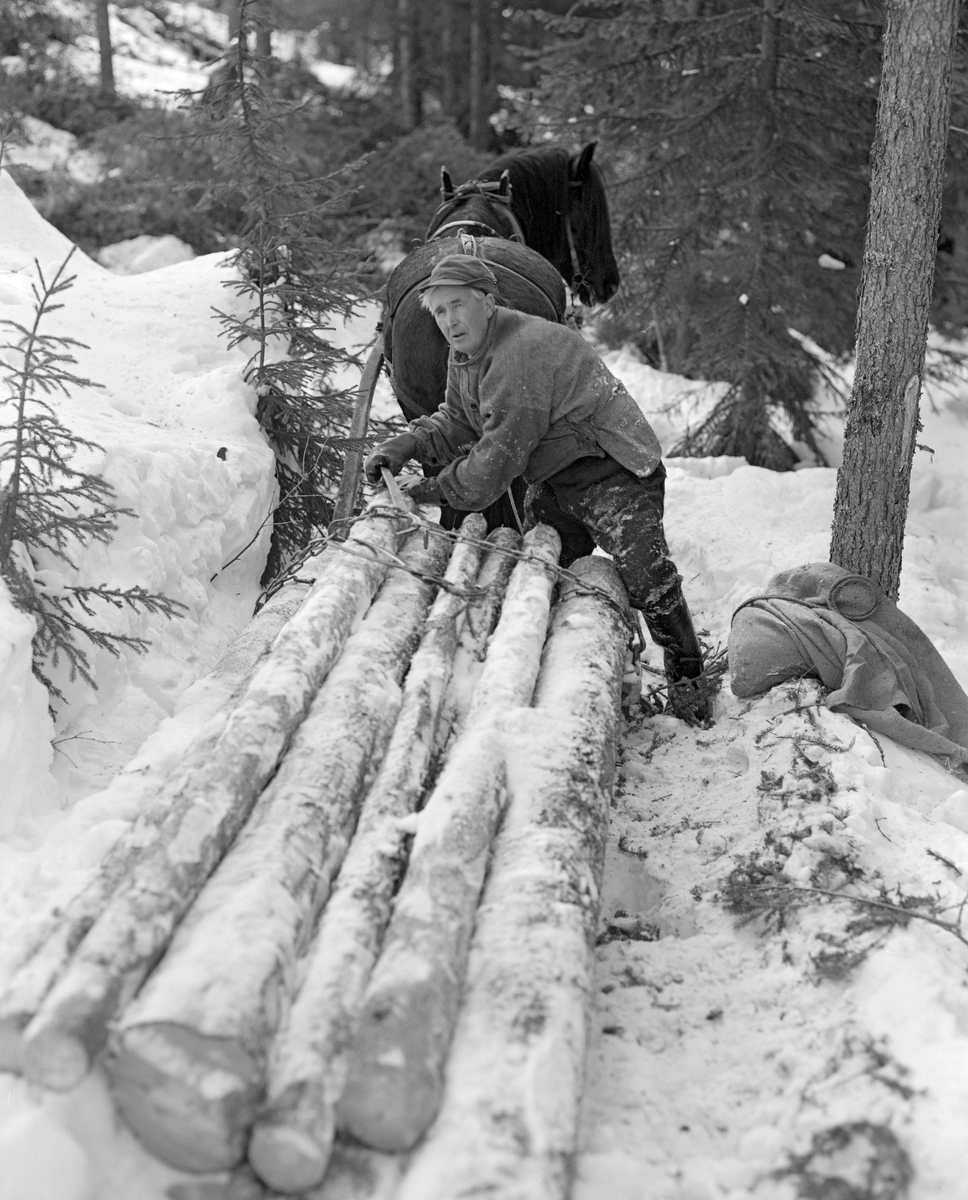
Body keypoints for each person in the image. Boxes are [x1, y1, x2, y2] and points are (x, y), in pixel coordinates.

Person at [364, 254, 709, 721]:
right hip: (555, 475)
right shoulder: (467, 351)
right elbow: (459, 419)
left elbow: (495, 463)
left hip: (614, 469)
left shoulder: (519, 352)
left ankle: (689, 679)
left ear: (487, 302)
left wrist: (428, 490)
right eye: (440, 310)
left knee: (647, 576)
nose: (449, 320)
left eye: (458, 305)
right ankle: (566, 679)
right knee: (546, 574)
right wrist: (410, 442)